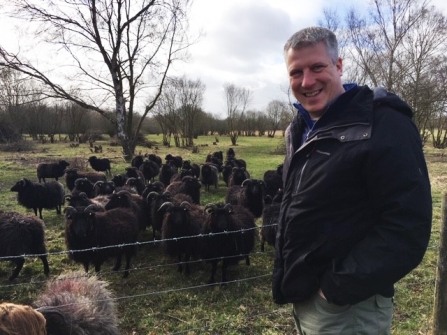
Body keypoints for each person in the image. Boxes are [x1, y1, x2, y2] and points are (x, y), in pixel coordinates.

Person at [272, 26, 432, 334]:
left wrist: (334, 289)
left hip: (348, 306)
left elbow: (407, 226)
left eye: (317, 67)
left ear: (339, 65)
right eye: (296, 72)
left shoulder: (383, 124)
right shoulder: (300, 129)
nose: (307, 81)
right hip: (307, 297)